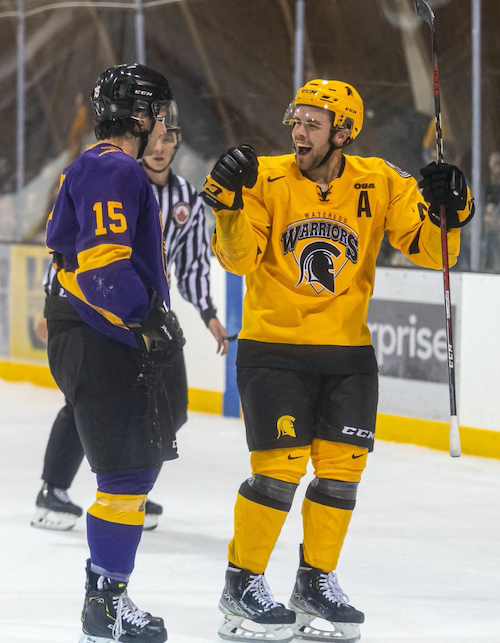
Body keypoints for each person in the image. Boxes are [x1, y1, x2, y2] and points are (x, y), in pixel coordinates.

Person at [202, 79, 474, 643]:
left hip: (348, 355)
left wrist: (454, 206)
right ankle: (241, 582)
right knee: (278, 471)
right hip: (274, 348)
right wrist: (228, 206)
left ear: (343, 132)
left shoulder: (378, 181)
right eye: (295, 120)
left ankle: (314, 581)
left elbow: (434, 250)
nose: (298, 132)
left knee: (342, 473)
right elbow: (238, 259)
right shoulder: (265, 179)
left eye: (312, 123)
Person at [45, 63, 185, 643]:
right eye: (160, 115)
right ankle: (105, 604)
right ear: (141, 116)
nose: (165, 128)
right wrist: (144, 317)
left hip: (92, 330)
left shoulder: (101, 165)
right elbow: (100, 267)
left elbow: (75, 259)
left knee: (136, 468)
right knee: (127, 473)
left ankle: (107, 599)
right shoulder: (113, 166)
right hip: (100, 333)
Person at [32, 127, 228, 533]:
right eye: (154, 139)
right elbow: (78, 251)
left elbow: (190, 264)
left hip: (147, 317)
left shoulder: (186, 200)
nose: (159, 148)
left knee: (172, 405)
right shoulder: (114, 177)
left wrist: (208, 312)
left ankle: (131, 482)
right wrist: (50, 305)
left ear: (177, 145)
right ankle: (55, 488)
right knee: (84, 400)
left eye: (169, 140)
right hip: (92, 310)